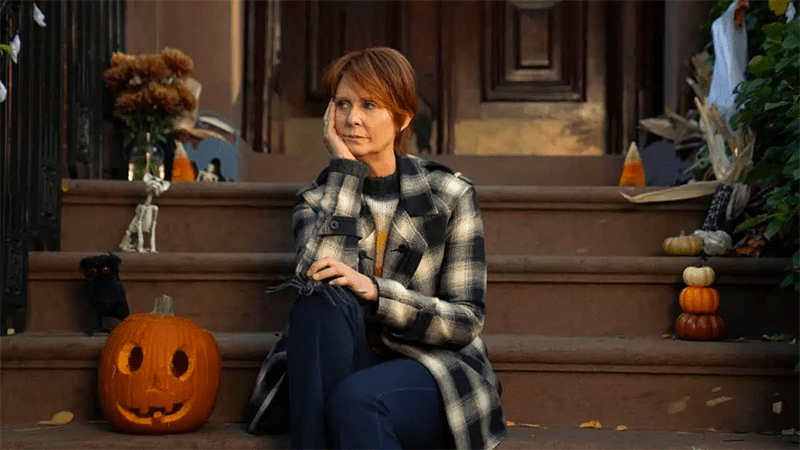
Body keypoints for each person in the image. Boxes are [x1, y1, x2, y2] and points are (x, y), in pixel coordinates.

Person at [284, 47, 507, 450]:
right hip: (341, 359)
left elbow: (466, 320)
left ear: (402, 118)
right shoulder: (319, 199)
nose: (352, 118)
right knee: (321, 300)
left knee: (358, 401)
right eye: (343, 104)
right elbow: (316, 281)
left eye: (369, 105)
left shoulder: (450, 194)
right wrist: (346, 173)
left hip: (430, 366)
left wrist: (377, 293)